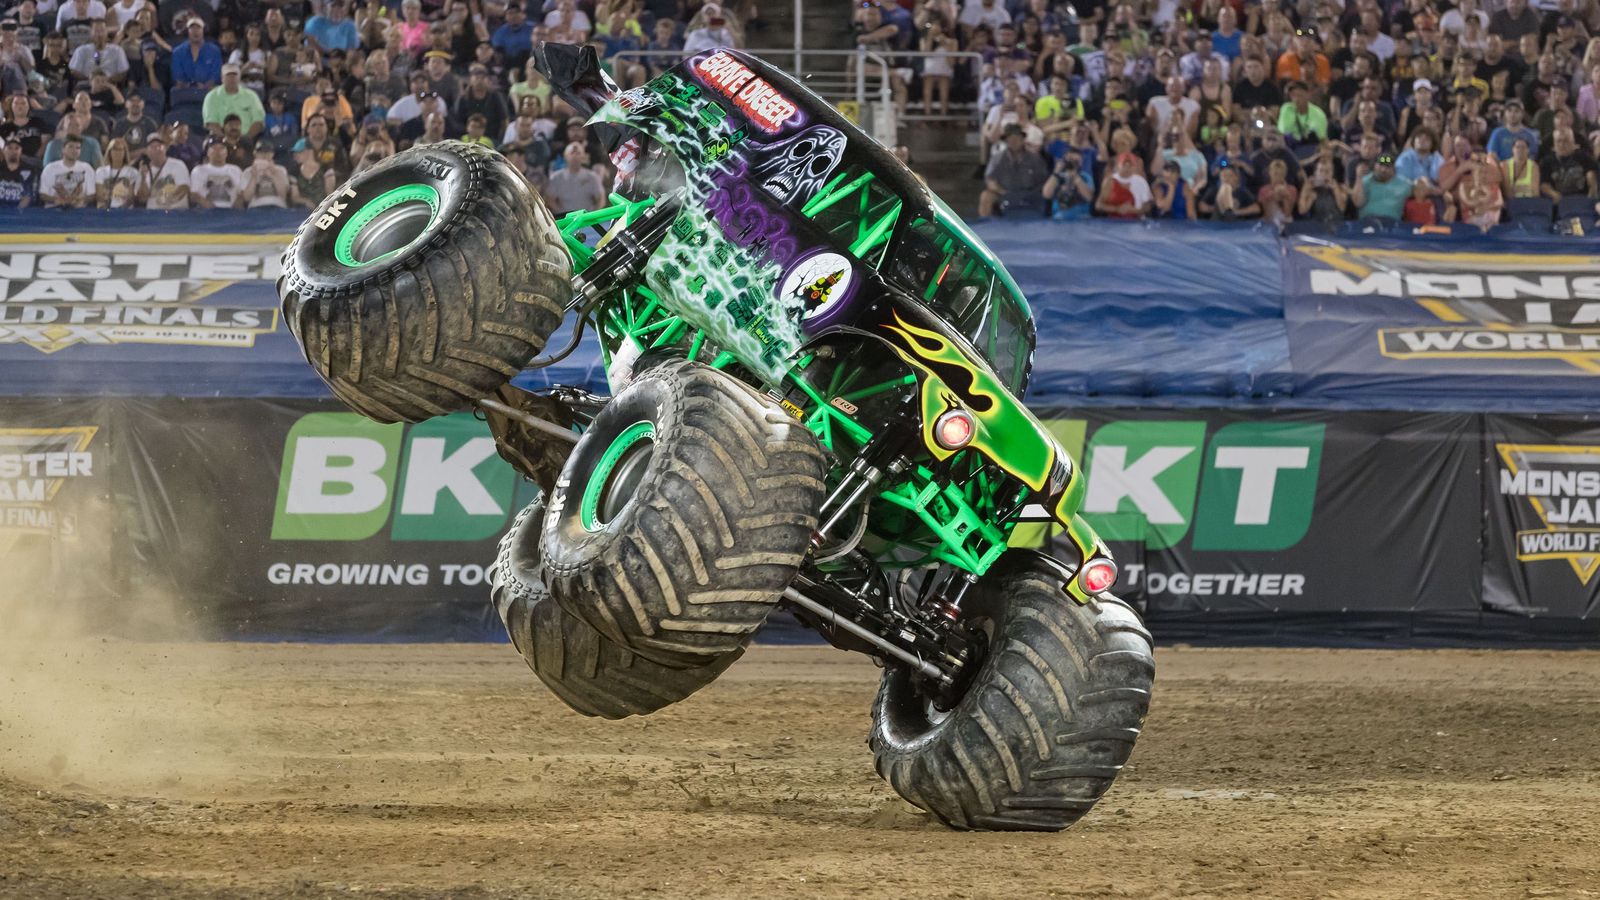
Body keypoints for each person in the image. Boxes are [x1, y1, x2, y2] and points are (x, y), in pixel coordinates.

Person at [979, 122, 1047, 216]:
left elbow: (1043, 182)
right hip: (1004, 192)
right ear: (1006, 140)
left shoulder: (1035, 158)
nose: (1014, 141)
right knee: (986, 196)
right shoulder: (997, 158)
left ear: (1023, 139)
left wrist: (1031, 194)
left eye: (1017, 138)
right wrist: (1003, 192)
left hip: (1029, 193)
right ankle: (985, 225)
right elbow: (990, 180)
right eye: (1010, 138)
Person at [203, 63, 265, 141]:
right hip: (220, 140)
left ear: (239, 77)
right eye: (228, 75)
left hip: (248, 140)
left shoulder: (251, 95)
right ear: (222, 78)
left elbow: (258, 122)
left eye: (235, 75)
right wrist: (227, 140)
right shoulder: (211, 96)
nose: (232, 78)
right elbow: (211, 124)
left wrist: (245, 140)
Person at [544, 140, 605, 214]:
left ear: (583, 157)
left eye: (578, 153)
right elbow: (550, 199)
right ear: (565, 156)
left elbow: (601, 199)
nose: (575, 156)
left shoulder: (592, 177)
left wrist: (593, 215)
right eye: (572, 153)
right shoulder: (556, 178)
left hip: (587, 220)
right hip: (566, 221)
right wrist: (562, 214)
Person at [39, 133, 95, 207]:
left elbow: (91, 195)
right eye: (70, 147)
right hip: (54, 211)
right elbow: (43, 194)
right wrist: (57, 200)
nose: (74, 150)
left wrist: (80, 200)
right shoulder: (50, 168)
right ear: (63, 149)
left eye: (78, 148)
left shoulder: (87, 168)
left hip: (79, 212)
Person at [1353, 152, 1412, 220]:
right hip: (1368, 222)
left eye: (1387, 166)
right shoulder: (1365, 181)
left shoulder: (1404, 184)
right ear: (1374, 166)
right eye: (1381, 165)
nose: (1383, 170)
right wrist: (1359, 177)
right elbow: (1357, 203)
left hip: (1394, 224)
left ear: (1393, 168)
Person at [189, 137, 243, 208]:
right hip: (206, 212)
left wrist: (236, 210)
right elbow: (194, 194)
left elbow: (241, 193)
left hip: (230, 212)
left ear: (227, 152)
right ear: (208, 152)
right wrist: (211, 207)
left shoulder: (236, 170)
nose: (218, 152)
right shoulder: (199, 170)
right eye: (214, 148)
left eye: (222, 148)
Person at [1094, 151, 1152, 218]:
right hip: (1113, 221)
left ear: (1134, 167)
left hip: (1136, 221)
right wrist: (1116, 209)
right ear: (1118, 165)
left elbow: (1148, 206)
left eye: (1130, 165)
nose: (1127, 168)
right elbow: (1098, 205)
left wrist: (1134, 210)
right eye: (1124, 165)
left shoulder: (1141, 181)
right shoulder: (1110, 181)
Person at [141, 135, 190, 210]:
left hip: (176, 213)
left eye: (160, 146)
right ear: (147, 151)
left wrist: (167, 200)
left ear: (165, 148)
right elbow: (142, 198)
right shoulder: (143, 169)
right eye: (152, 147)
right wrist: (143, 178)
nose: (157, 149)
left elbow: (184, 188)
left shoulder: (178, 164)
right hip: (153, 215)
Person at [1456, 152, 1504, 228]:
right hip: (1470, 221)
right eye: (1479, 172)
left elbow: (1500, 204)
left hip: (1490, 223)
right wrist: (1479, 203)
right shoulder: (1464, 186)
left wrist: (1486, 206)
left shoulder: (1494, 186)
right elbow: (1467, 203)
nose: (1482, 175)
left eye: (1485, 172)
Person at [1042, 148, 1093, 219]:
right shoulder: (1057, 177)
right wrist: (1056, 172)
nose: (1073, 163)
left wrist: (1076, 177)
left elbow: (1089, 198)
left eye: (1076, 161)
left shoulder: (1085, 177)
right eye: (1071, 160)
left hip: (1081, 218)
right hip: (1058, 218)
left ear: (1081, 162)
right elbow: (1046, 194)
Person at [171, 17, 221, 90]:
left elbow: (215, 76)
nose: (195, 31)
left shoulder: (214, 51)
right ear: (187, 31)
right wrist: (190, 87)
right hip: (184, 91)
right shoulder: (178, 52)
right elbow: (178, 77)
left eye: (198, 28)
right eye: (192, 28)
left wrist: (203, 87)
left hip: (208, 90)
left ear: (203, 30)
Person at [238, 140, 290, 208]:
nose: (264, 155)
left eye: (268, 152)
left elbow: (283, 195)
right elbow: (246, 198)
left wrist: (274, 174)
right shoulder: (248, 171)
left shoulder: (280, 170)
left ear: (272, 154)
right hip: (255, 207)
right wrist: (254, 177)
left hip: (278, 206)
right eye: (261, 152)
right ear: (255, 153)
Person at [1297, 158, 1348, 225]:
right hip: (1317, 226)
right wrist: (1305, 190)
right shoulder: (1311, 189)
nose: (1324, 174)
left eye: (1327, 171)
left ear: (1332, 173)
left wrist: (1336, 189)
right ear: (1316, 173)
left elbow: (1342, 208)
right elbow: (1302, 211)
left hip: (1338, 224)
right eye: (1320, 171)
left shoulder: (1340, 187)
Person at [94, 136, 140, 207]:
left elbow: (131, 197)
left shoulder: (133, 172)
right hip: (104, 212)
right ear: (109, 151)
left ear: (125, 152)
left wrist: (121, 209)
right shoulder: (100, 171)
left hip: (125, 213)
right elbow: (99, 196)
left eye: (120, 149)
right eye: (114, 149)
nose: (117, 152)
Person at [0, 139, 39, 208]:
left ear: (21, 151)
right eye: (10, 148)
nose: (13, 151)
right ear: (3, 150)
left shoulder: (31, 170)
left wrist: (19, 211)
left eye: (17, 148)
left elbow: (31, 195)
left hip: (22, 212)